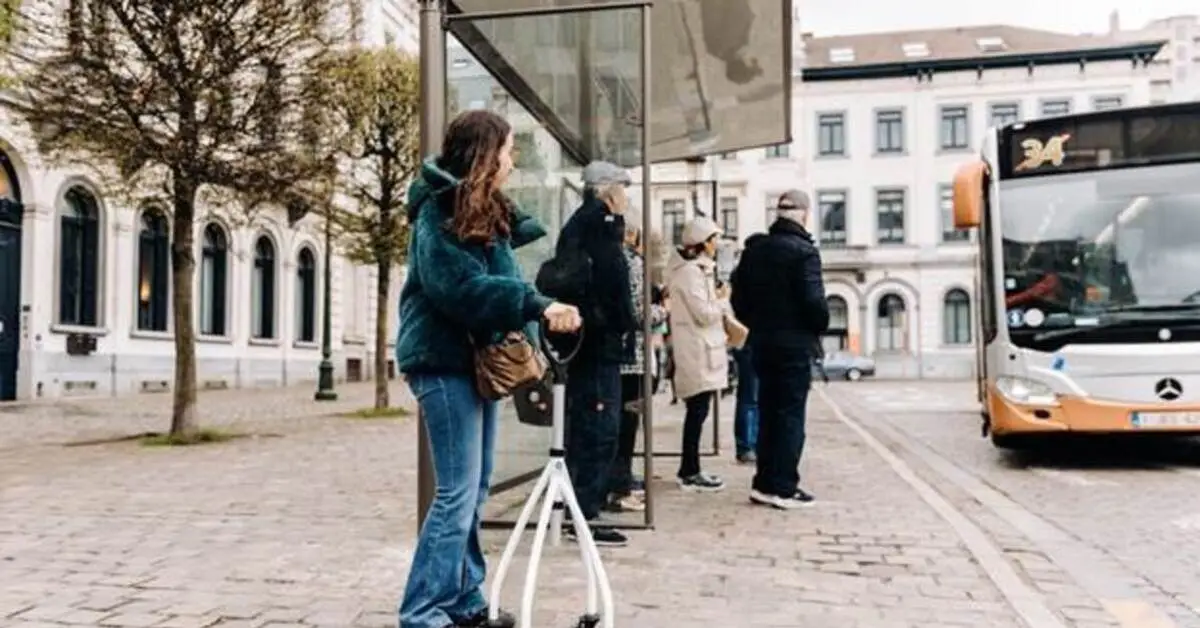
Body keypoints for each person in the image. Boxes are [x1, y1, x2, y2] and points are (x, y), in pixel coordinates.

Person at [394, 109, 582, 628]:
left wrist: (541, 308)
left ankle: (464, 601)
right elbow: (458, 289)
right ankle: (422, 611)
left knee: (473, 492)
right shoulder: (439, 211)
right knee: (456, 493)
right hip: (441, 361)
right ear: (485, 154)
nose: (512, 159)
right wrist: (536, 304)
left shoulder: (484, 211)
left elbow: (500, 287)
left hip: (472, 362)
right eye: (507, 149)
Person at [556, 161, 638, 547]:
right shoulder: (600, 224)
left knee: (594, 426)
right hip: (597, 343)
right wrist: (625, 323)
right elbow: (612, 283)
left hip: (590, 340)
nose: (626, 197)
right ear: (608, 190)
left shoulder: (586, 223)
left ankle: (582, 508)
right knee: (598, 428)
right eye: (623, 188)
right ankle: (583, 513)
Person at [731, 190, 829, 511]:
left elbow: (738, 300)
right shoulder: (804, 253)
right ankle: (784, 486)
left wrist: (757, 324)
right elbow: (814, 302)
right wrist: (816, 327)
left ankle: (764, 482)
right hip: (794, 345)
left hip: (762, 343)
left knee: (768, 411)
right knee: (789, 416)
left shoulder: (755, 251)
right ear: (804, 214)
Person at [666, 217, 729, 492]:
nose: (717, 245)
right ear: (703, 242)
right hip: (696, 350)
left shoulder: (697, 271)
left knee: (699, 411)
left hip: (702, 348)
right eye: (714, 239)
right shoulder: (691, 273)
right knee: (697, 411)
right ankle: (689, 470)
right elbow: (704, 314)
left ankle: (691, 468)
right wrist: (723, 301)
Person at [607, 222, 650, 513]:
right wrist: (663, 310)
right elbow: (638, 311)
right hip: (631, 357)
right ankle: (620, 485)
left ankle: (618, 481)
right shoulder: (632, 263)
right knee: (627, 424)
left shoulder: (606, 258)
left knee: (618, 423)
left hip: (613, 354)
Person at [730, 233, 766, 464]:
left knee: (749, 395)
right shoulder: (755, 276)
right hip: (752, 338)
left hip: (744, 340)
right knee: (752, 396)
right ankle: (747, 444)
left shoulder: (739, 274)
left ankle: (748, 444)